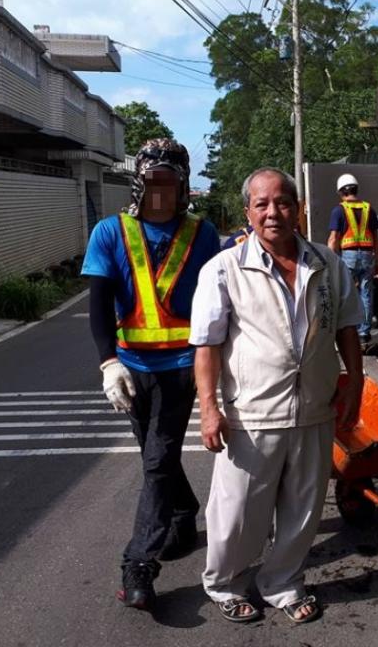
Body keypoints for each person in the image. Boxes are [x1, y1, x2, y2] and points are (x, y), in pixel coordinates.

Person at [190, 167, 364, 625]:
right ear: (247, 212)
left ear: (299, 208)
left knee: (303, 510)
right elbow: (206, 345)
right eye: (262, 204)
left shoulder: (328, 263)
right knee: (238, 511)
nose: (273, 213)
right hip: (252, 412)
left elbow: (347, 328)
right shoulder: (223, 269)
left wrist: (356, 384)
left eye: (283, 202)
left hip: (314, 408)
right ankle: (225, 582)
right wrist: (209, 409)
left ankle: (282, 582)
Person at [81, 138, 222, 611]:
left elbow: (221, 301)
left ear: (183, 185)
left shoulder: (203, 235)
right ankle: (183, 514)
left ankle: (138, 563)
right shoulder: (108, 233)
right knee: (153, 457)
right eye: (152, 180)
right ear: (139, 182)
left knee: (159, 461)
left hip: (182, 367)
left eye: (171, 181)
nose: (161, 189)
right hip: (131, 368)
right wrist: (107, 362)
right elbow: (99, 304)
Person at [327, 173, 378, 346]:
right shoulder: (369, 209)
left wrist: (330, 261)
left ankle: (347, 329)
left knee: (347, 294)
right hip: (367, 255)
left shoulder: (339, 210)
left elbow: (334, 238)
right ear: (356, 189)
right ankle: (364, 332)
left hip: (348, 256)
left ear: (341, 192)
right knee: (366, 294)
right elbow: (375, 236)